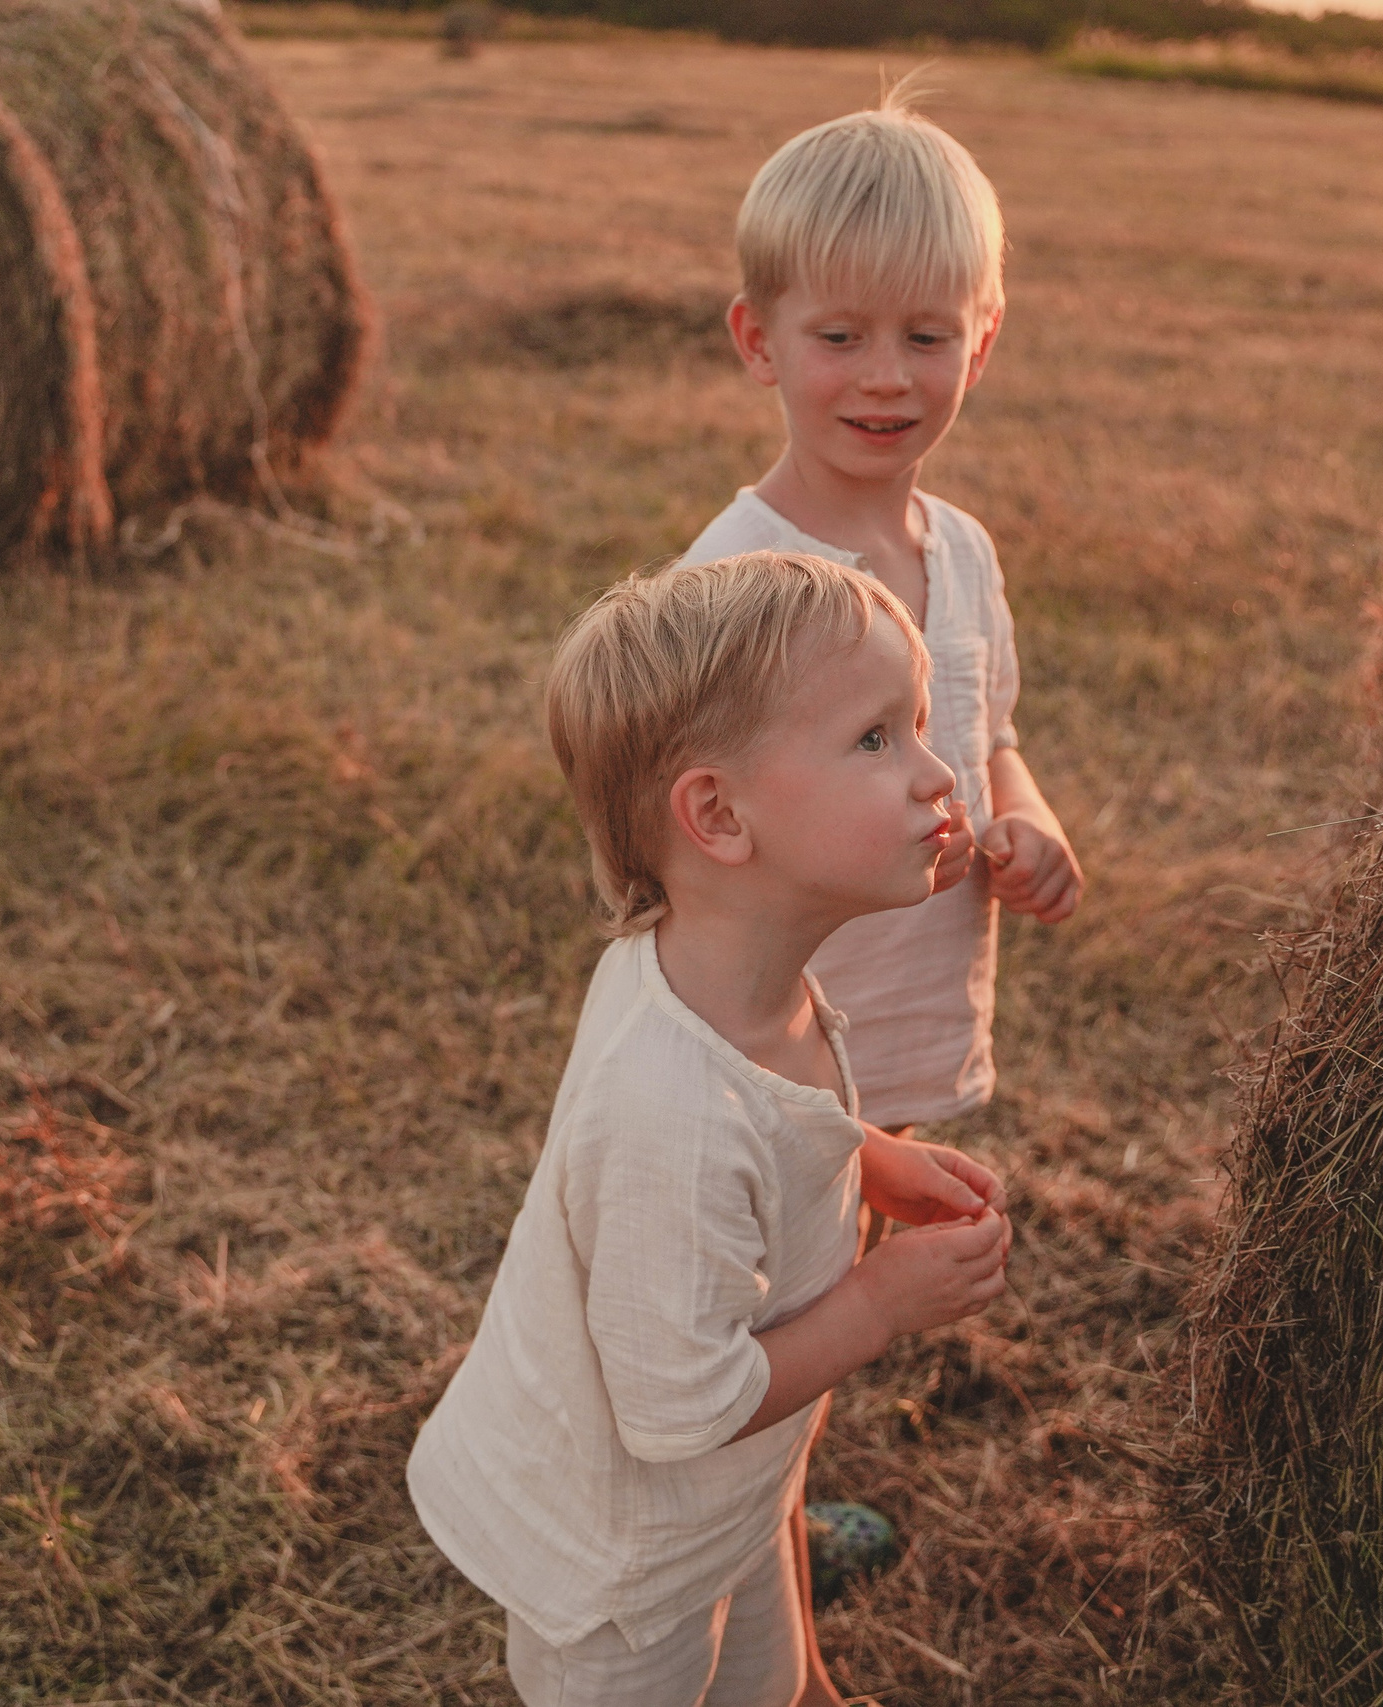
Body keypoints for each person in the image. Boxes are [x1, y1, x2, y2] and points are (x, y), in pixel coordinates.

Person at [407, 552, 1018, 1705]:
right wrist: (881, 1304)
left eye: (917, 726)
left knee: (765, 1687)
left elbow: (772, 1125)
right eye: (875, 739)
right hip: (625, 1572)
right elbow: (682, 1408)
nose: (938, 773)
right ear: (720, 817)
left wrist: (866, 1158)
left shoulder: (726, 974)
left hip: (729, 1506)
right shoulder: (669, 1111)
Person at [681, 85, 1083, 1140]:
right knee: (794, 1228)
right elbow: (683, 825)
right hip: (769, 1035)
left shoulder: (965, 554)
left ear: (981, 344)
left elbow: (990, 738)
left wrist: (1028, 818)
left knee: (883, 1193)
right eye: (840, 336)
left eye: (926, 336)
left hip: (906, 1012)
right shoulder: (736, 580)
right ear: (759, 340)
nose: (888, 377)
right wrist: (865, 843)